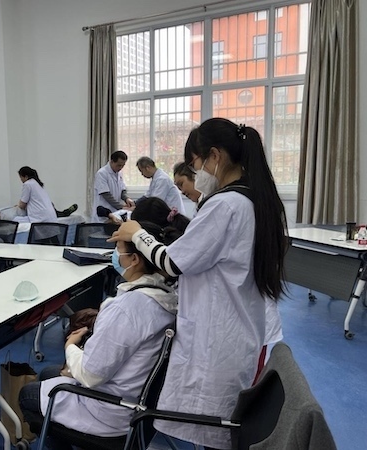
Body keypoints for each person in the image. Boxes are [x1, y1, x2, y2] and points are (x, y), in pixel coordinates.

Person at [108, 118, 287, 449]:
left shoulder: (225, 204)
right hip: (240, 327)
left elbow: (174, 263)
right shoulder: (254, 199)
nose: (197, 174)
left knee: (215, 429)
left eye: (196, 164)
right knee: (221, 427)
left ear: (214, 156)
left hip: (220, 340)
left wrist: (137, 233)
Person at [19, 222, 177, 447]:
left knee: (27, 395)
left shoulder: (128, 308)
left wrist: (70, 346)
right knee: (47, 373)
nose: (114, 255)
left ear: (134, 259)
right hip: (138, 403)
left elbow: (90, 374)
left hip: (110, 413)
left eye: (118, 249)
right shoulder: (166, 297)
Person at [91, 151, 134, 222]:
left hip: (115, 213)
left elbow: (122, 190)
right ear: (112, 161)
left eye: (123, 165)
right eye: (119, 165)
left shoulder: (119, 173)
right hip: (103, 214)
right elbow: (106, 194)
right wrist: (120, 207)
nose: (121, 168)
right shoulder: (102, 173)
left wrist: (127, 199)